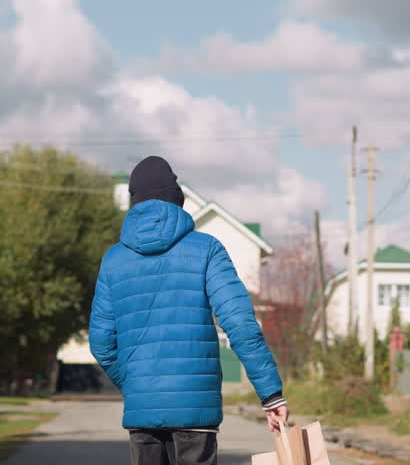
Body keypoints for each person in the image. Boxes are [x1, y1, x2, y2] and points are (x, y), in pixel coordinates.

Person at [90, 155, 290, 465]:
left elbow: (102, 344)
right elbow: (239, 323)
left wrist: (136, 385)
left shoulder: (113, 260)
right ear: (175, 198)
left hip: (142, 416)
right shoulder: (207, 249)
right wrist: (271, 394)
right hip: (195, 413)